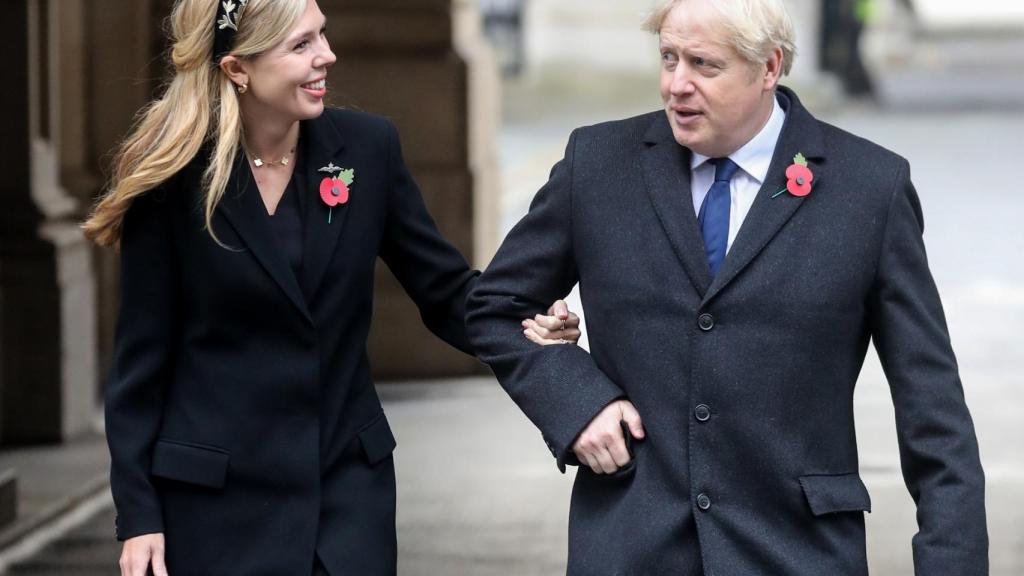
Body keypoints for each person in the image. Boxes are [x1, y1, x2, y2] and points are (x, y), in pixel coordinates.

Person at [465, 0, 988, 574]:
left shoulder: (869, 187)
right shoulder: (596, 165)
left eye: (703, 64)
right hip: (630, 549)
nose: (676, 85)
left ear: (769, 67)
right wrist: (576, 401)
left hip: (798, 551)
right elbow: (494, 308)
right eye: (668, 58)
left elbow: (933, 413)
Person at [83, 0, 581, 574]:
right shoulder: (171, 179)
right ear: (238, 69)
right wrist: (139, 516)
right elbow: (140, 368)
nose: (328, 55)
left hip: (345, 498)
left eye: (322, 34)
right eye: (301, 45)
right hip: (213, 505)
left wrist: (528, 325)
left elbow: (446, 290)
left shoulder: (367, 149)